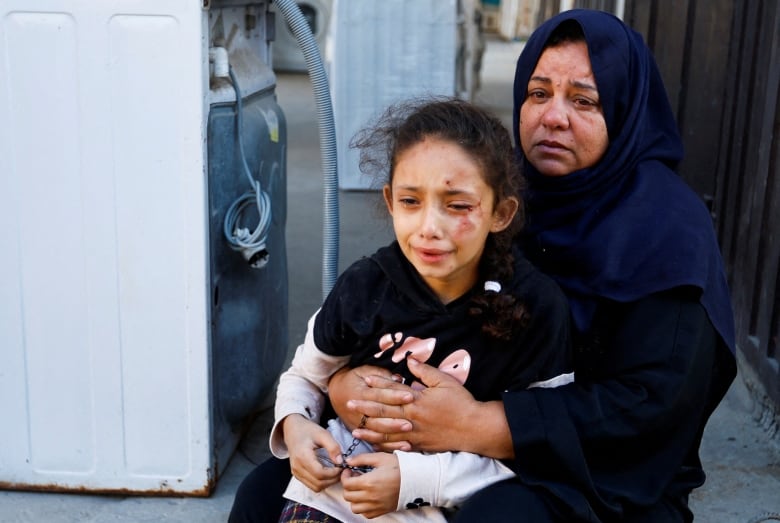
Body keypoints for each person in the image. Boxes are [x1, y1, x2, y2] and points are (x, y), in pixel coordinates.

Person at [230, 9, 737, 522]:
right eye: (538, 94)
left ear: (626, 113)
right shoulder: (493, 190)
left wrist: (480, 424)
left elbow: (652, 410)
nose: (554, 116)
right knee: (264, 494)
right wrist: (343, 387)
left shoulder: (667, 231)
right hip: (438, 446)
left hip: (598, 475)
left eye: (584, 100)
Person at [259, 98, 573, 522]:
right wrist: (296, 427)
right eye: (410, 201)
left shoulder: (537, 308)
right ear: (389, 201)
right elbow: (305, 375)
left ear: (501, 212)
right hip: (334, 499)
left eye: (457, 205)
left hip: (447, 505)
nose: (429, 227)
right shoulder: (364, 286)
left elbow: (540, 443)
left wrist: (416, 480)